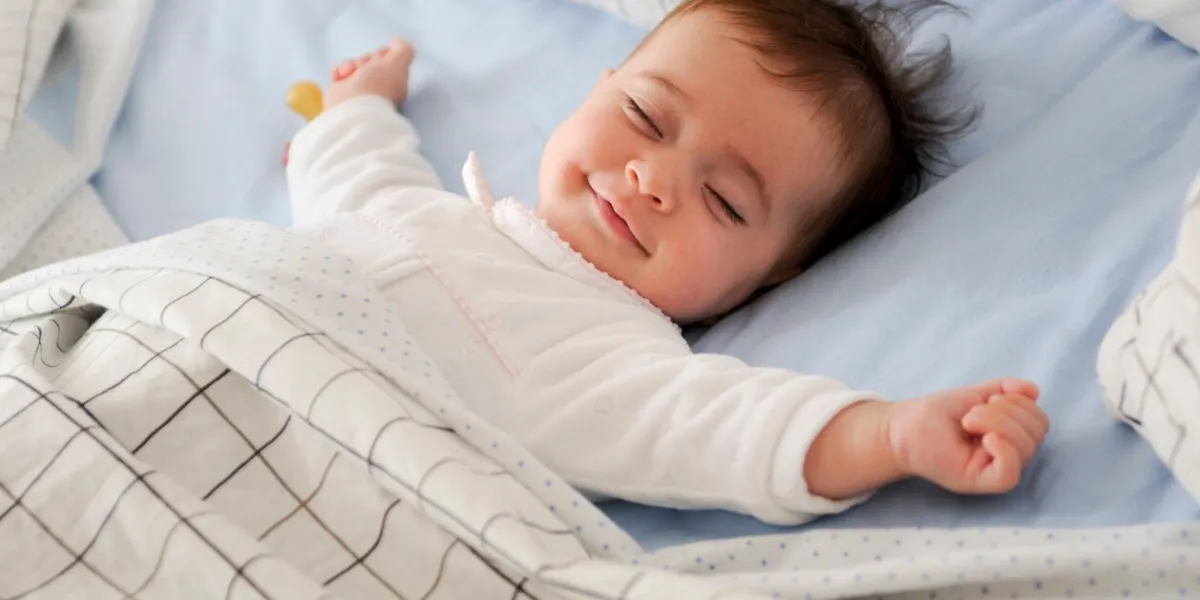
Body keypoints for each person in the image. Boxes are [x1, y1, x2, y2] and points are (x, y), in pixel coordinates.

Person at [284, 0, 1049, 525]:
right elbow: (356, 177)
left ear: (776, 274)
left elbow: (726, 432)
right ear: (600, 87)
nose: (653, 180)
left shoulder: (601, 354)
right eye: (645, 117)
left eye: (725, 202)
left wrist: (891, 436)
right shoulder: (424, 215)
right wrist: (358, 108)